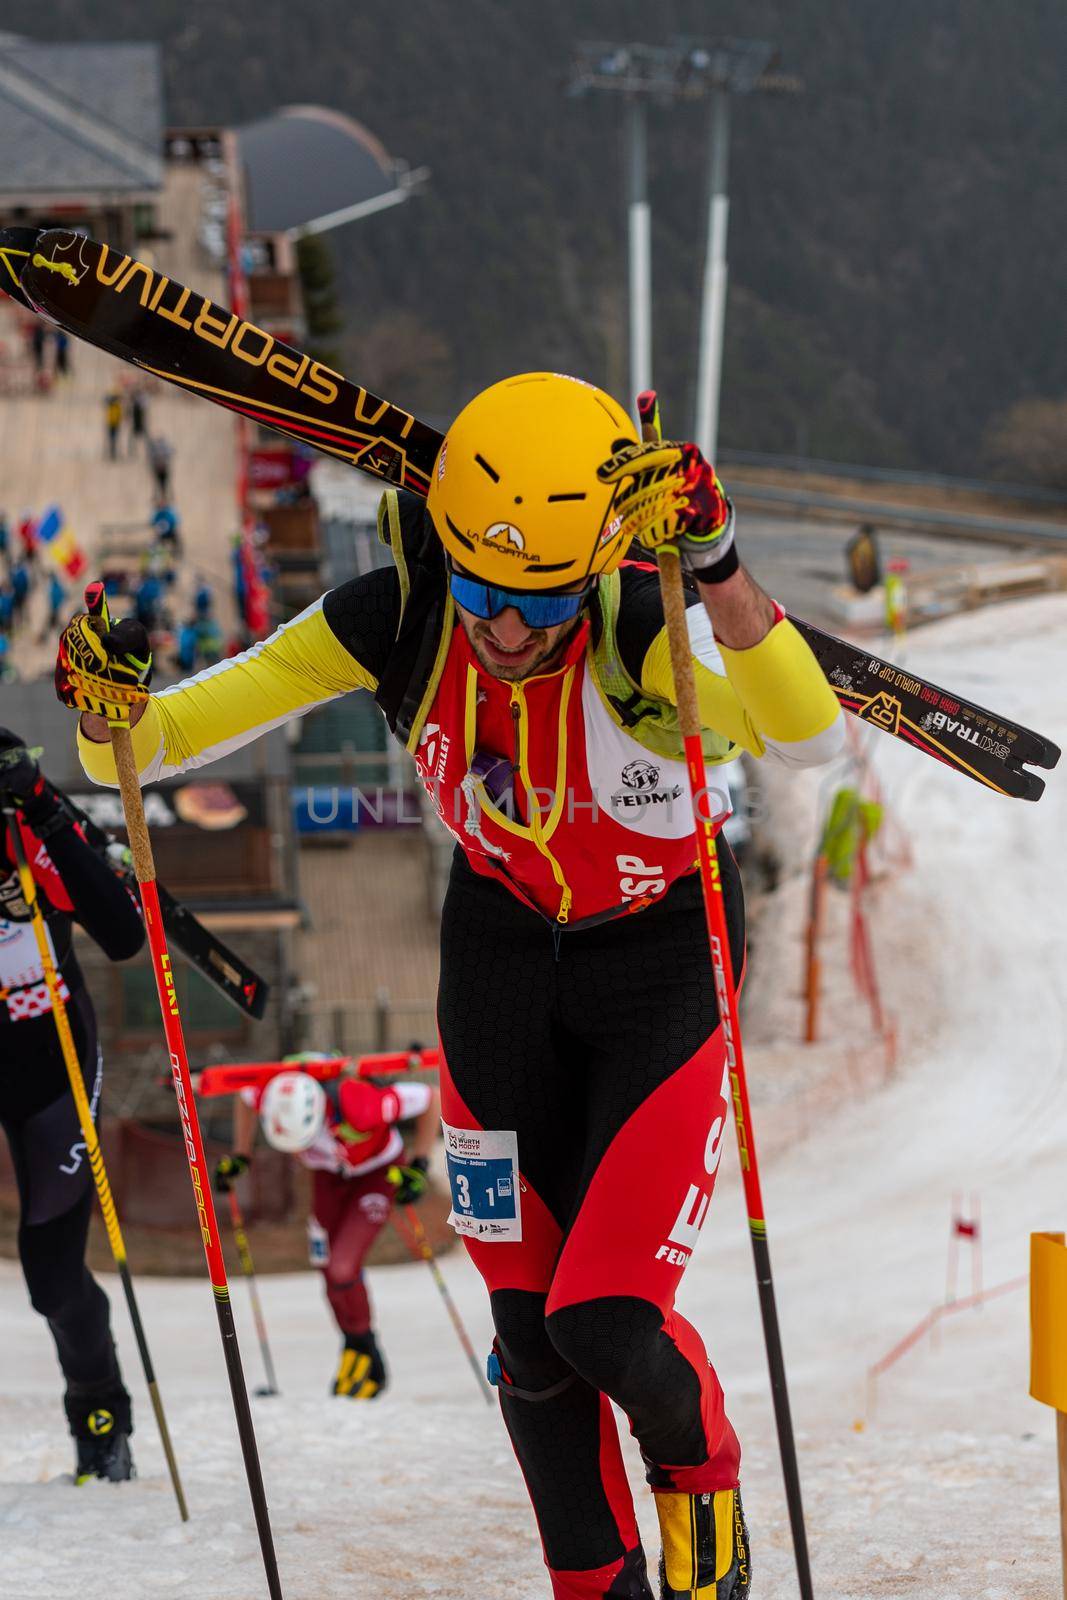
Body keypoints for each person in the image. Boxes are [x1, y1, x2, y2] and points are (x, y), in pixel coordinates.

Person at [60, 372, 844, 1599]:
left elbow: (809, 736)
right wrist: (106, 711)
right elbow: (150, 746)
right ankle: (593, 1584)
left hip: (659, 959)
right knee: (529, 1339)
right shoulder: (401, 619)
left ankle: (702, 1488)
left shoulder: (642, 624)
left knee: (606, 1321)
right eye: (485, 591)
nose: (510, 631)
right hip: (496, 958)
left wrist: (723, 562)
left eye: (540, 602)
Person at [0, 731, 145, 1483]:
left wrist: (44, 805)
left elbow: (123, 936)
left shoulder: (19, 824)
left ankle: (100, 1419)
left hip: (47, 1055)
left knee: (53, 1278)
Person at [213, 1058, 440, 1398]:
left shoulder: (361, 1105)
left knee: (343, 1265)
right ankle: (354, 1345)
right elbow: (245, 1097)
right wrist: (241, 1154)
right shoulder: (274, 1094)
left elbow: (430, 1097)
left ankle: (367, 1351)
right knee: (324, 1265)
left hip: (376, 1173)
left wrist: (420, 1163)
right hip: (329, 1176)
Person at [104, 393, 122, 461]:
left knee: (114, 439)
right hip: (111, 424)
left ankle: (113, 453)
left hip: (115, 424)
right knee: (112, 440)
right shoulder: (112, 406)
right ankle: (112, 453)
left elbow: (119, 414)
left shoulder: (116, 406)